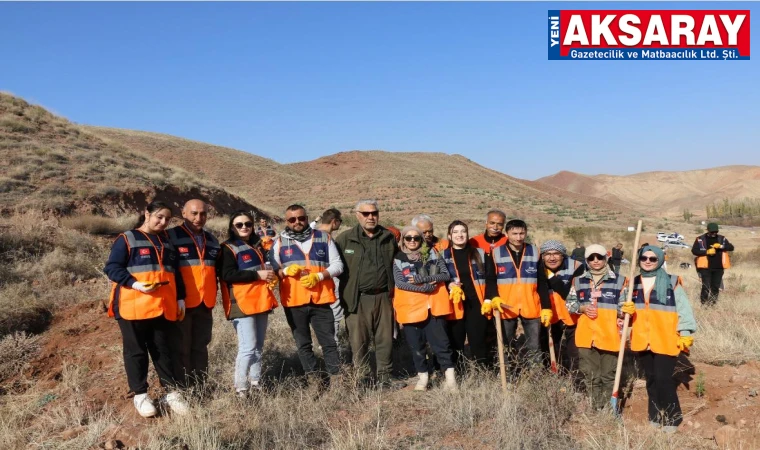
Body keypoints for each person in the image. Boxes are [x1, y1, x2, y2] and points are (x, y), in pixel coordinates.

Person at [104, 201, 190, 418]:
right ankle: (140, 394)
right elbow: (112, 268)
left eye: (167, 219)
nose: (163, 222)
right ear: (147, 213)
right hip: (133, 306)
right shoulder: (127, 239)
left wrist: (180, 297)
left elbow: (175, 273)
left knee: (163, 350)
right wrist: (134, 283)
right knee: (136, 351)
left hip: (162, 307)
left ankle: (171, 393)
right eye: (159, 217)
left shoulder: (167, 243)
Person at [269, 205, 344, 384]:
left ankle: (336, 379)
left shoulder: (323, 237)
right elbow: (272, 270)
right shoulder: (279, 242)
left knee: (328, 342)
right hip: (294, 301)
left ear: (306, 217)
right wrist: (286, 271)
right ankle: (314, 379)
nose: (297, 222)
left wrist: (319, 276)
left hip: (321, 299)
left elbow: (338, 265)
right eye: (292, 220)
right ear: (286, 221)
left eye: (301, 218)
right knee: (303, 344)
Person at [629, 245, 697, 432]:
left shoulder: (672, 281)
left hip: (666, 339)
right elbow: (625, 313)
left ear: (659, 260)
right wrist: (624, 311)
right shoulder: (633, 283)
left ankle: (672, 418)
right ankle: (655, 415)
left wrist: (685, 333)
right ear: (640, 260)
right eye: (644, 258)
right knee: (651, 379)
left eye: (653, 259)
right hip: (643, 339)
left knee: (663, 378)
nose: (648, 262)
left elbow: (683, 309)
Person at [335, 200, 401, 389]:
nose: (370, 217)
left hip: (383, 296)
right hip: (356, 298)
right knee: (358, 340)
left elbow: (397, 264)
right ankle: (362, 378)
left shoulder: (388, 237)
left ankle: (385, 378)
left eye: (374, 213)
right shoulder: (345, 239)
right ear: (357, 215)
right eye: (366, 213)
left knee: (385, 339)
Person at [217, 211, 279, 396]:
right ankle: (241, 387)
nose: (244, 227)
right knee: (248, 347)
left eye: (247, 224)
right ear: (232, 227)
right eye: (239, 224)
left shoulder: (257, 246)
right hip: (242, 303)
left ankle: (256, 382)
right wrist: (256, 275)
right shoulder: (227, 248)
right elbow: (227, 275)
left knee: (258, 346)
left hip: (260, 300)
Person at [565, 244, 630, 411]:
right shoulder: (578, 281)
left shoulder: (620, 281)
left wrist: (624, 310)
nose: (595, 261)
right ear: (586, 260)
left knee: (608, 375)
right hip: (586, 335)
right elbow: (569, 304)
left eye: (599, 257)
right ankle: (596, 406)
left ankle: (608, 408)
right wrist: (582, 308)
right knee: (590, 375)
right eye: (591, 258)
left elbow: (624, 309)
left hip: (610, 334)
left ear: (606, 258)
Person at [393, 227, 457, 391]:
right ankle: (423, 378)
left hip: (434, 307)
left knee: (442, 345)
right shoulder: (398, 259)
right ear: (403, 240)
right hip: (411, 309)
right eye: (408, 238)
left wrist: (425, 279)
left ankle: (450, 380)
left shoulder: (433, 254)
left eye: (416, 237)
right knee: (417, 346)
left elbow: (445, 274)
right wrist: (425, 288)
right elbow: (400, 283)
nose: (412, 240)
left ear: (422, 239)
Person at [166, 199, 220, 388]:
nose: (199, 218)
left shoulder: (212, 240)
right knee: (181, 347)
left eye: (203, 214)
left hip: (205, 304)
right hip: (182, 303)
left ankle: (199, 386)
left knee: (200, 346)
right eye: (194, 213)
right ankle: (182, 388)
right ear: (184, 213)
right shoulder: (170, 236)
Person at [483, 219, 551, 368]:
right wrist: (493, 297)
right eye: (514, 233)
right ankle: (506, 373)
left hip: (531, 305)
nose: (518, 237)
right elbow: (491, 279)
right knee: (505, 344)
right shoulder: (495, 253)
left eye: (522, 233)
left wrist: (546, 307)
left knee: (534, 346)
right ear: (506, 234)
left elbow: (542, 281)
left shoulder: (535, 251)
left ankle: (536, 375)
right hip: (505, 306)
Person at [440, 220, 492, 369]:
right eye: (455, 232)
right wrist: (448, 284)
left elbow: (490, 278)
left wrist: (488, 298)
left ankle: (482, 372)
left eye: (463, 231)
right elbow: (438, 279)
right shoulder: (443, 256)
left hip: (477, 304)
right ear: (449, 236)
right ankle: (458, 373)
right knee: (455, 341)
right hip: (454, 305)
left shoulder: (480, 253)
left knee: (478, 341)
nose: (460, 235)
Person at [538, 240, 584, 377]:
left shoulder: (577, 267)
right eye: (547, 254)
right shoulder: (537, 267)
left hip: (571, 314)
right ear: (542, 256)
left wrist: (550, 277)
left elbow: (568, 293)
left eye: (556, 254)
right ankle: (552, 376)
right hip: (548, 314)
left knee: (575, 351)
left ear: (563, 255)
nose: (552, 258)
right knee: (548, 347)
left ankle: (576, 380)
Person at [314, 208, 350, 363]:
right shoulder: (325, 237)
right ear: (334, 221)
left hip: (316, 281)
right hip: (329, 280)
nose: (340, 225)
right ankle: (331, 350)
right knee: (334, 316)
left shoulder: (311, 234)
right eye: (339, 222)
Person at [692, 222, 734, 305]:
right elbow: (694, 251)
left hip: (719, 267)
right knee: (706, 286)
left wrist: (721, 246)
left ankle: (712, 304)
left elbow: (731, 247)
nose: (714, 233)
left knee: (715, 287)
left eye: (716, 232)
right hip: (705, 267)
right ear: (708, 230)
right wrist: (706, 252)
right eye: (712, 232)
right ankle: (703, 303)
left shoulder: (722, 239)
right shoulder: (700, 239)